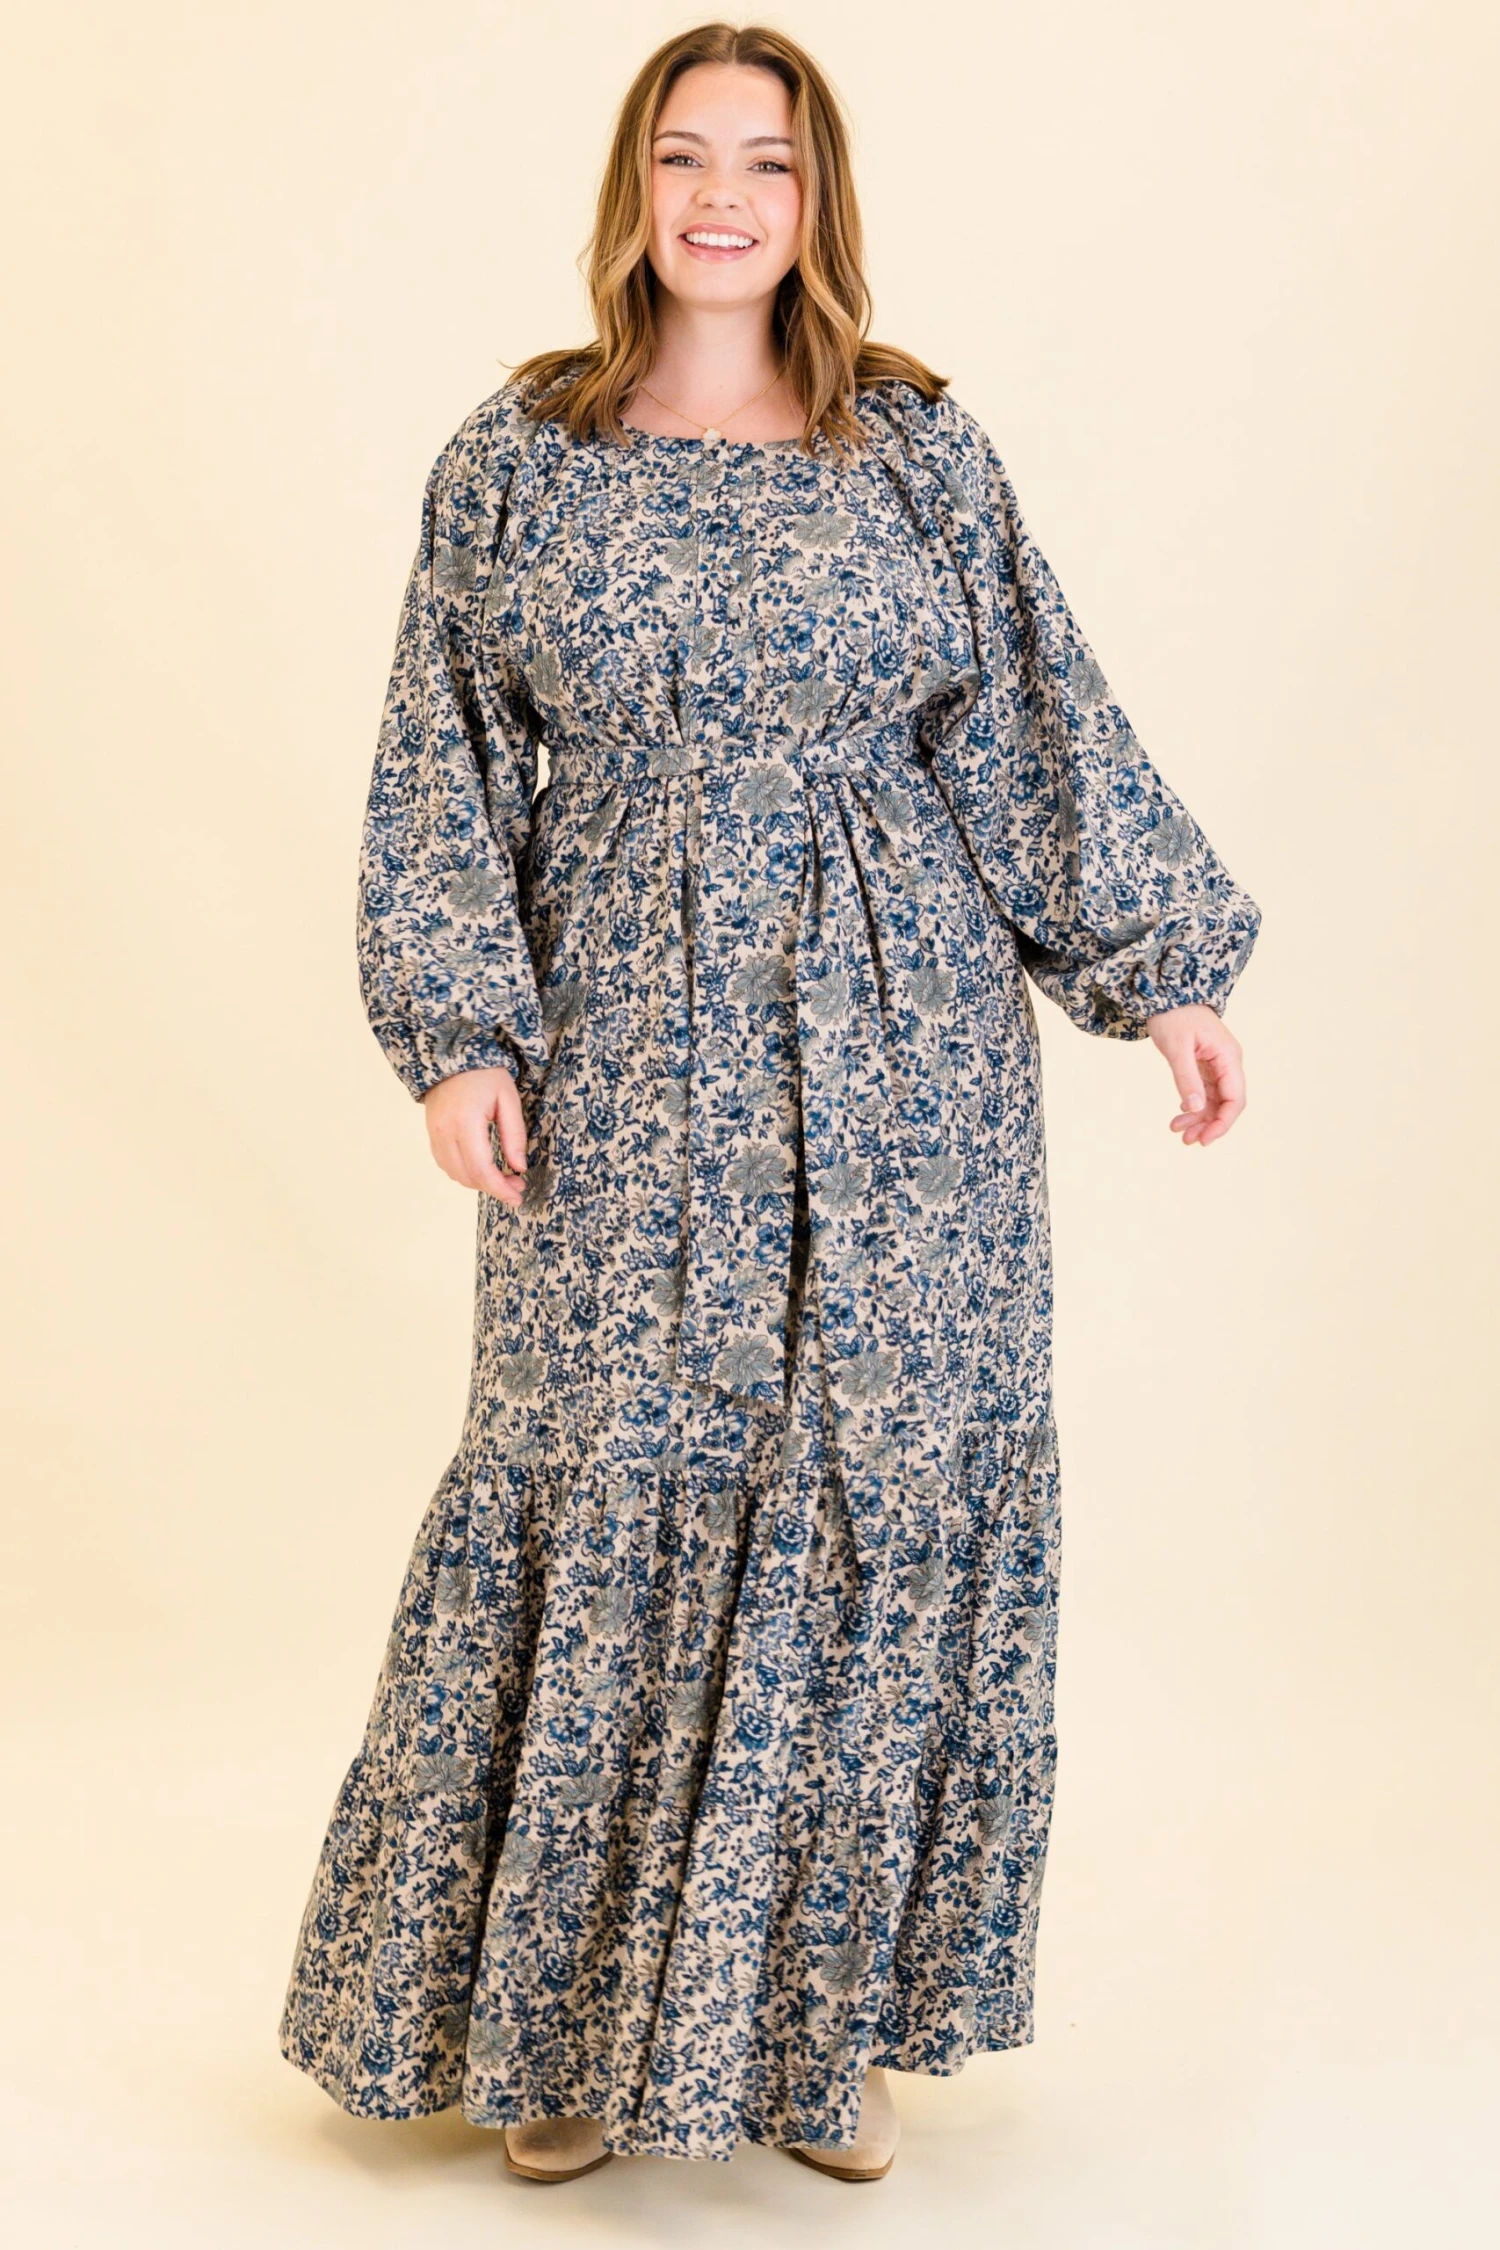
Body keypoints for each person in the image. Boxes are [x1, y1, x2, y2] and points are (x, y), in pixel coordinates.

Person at [277, 20, 1261, 2187]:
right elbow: (440, 755)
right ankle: (563, 2032)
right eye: (685, 155)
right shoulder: (517, 456)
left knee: (867, 1485)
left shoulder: (917, 448)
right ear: (630, 189)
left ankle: (820, 2033)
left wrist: (1166, 976)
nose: (723, 197)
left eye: (769, 163)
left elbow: (1031, 719)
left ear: (821, 203)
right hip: (622, 1056)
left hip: (909, 1070)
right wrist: (460, 1032)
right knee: (604, 1468)